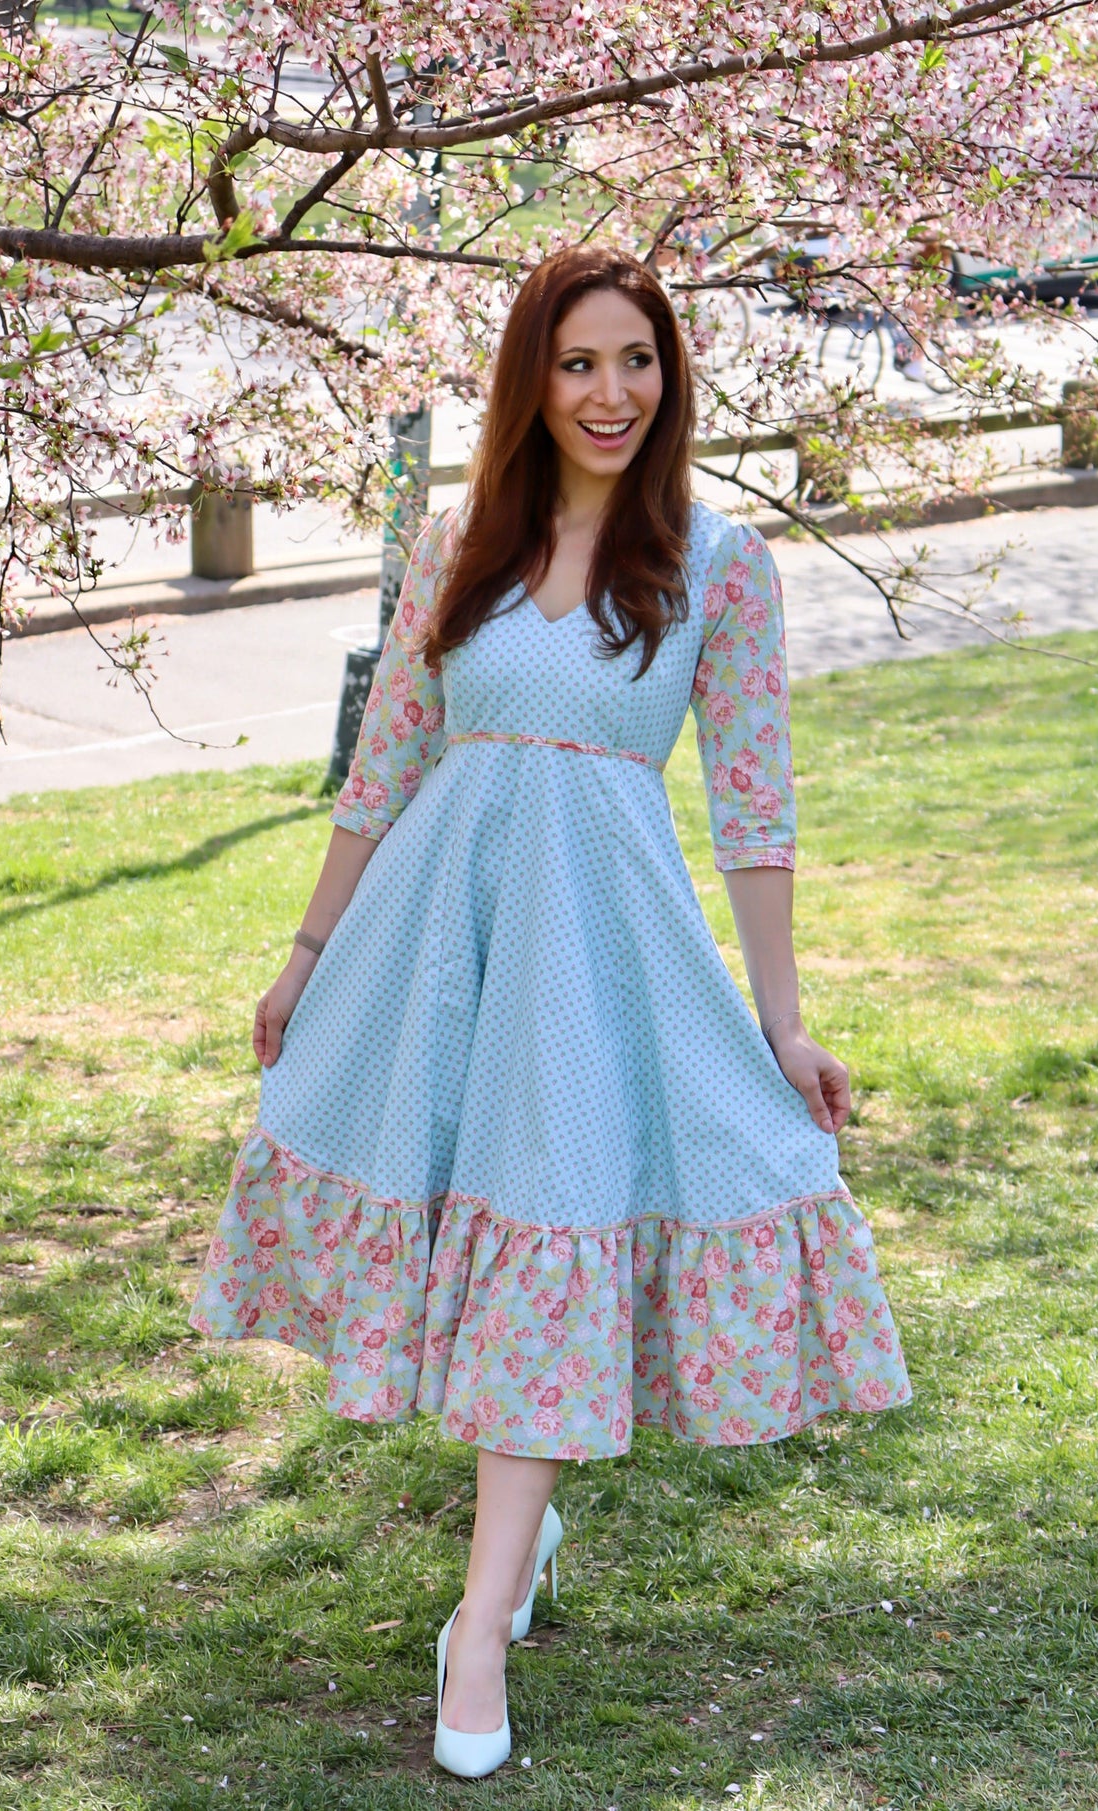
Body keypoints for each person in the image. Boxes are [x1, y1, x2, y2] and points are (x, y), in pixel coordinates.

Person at [187, 245, 912, 1780]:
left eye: (637, 362)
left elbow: (758, 803)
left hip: (599, 955)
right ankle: (524, 1531)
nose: (611, 393)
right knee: (476, 1226)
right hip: (439, 943)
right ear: (533, 378)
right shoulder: (462, 540)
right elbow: (384, 761)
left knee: (554, 1229)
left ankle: (476, 1618)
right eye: (581, 363)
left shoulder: (717, 562)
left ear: (671, 379)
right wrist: (307, 956)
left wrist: (784, 1023)